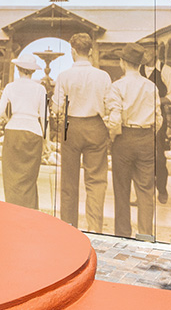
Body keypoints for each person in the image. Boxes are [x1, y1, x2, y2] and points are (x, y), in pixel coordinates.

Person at [52, 33, 111, 233]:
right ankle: (95, 228)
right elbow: (109, 105)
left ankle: (68, 227)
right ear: (91, 51)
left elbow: (57, 107)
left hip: (72, 127)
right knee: (96, 180)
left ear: (73, 51)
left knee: (69, 179)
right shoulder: (103, 76)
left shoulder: (64, 76)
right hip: (96, 126)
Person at [108, 42, 162, 240]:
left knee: (121, 189)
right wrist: (148, 133)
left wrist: (113, 137)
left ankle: (123, 234)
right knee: (146, 189)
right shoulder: (151, 86)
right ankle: (146, 234)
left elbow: (115, 119)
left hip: (124, 138)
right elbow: (159, 118)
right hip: (146, 137)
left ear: (123, 62)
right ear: (140, 64)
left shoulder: (117, 86)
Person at [0, 55, 47, 209]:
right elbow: (44, 117)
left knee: (11, 175)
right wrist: (46, 140)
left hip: (13, 131)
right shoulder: (40, 89)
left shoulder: (10, 87)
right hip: (33, 132)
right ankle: (29, 211)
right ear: (32, 71)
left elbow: (0, 112)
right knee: (29, 177)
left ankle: (12, 209)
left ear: (18, 69)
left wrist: (9, 119)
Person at [140, 44, 171, 204]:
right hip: (140, 115)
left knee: (158, 154)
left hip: (159, 117)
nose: (145, 54)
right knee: (142, 154)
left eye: (148, 50)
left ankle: (162, 189)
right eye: (142, 51)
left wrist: (157, 101)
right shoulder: (138, 70)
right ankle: (144, 192)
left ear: (156, 51)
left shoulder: (165, 70)